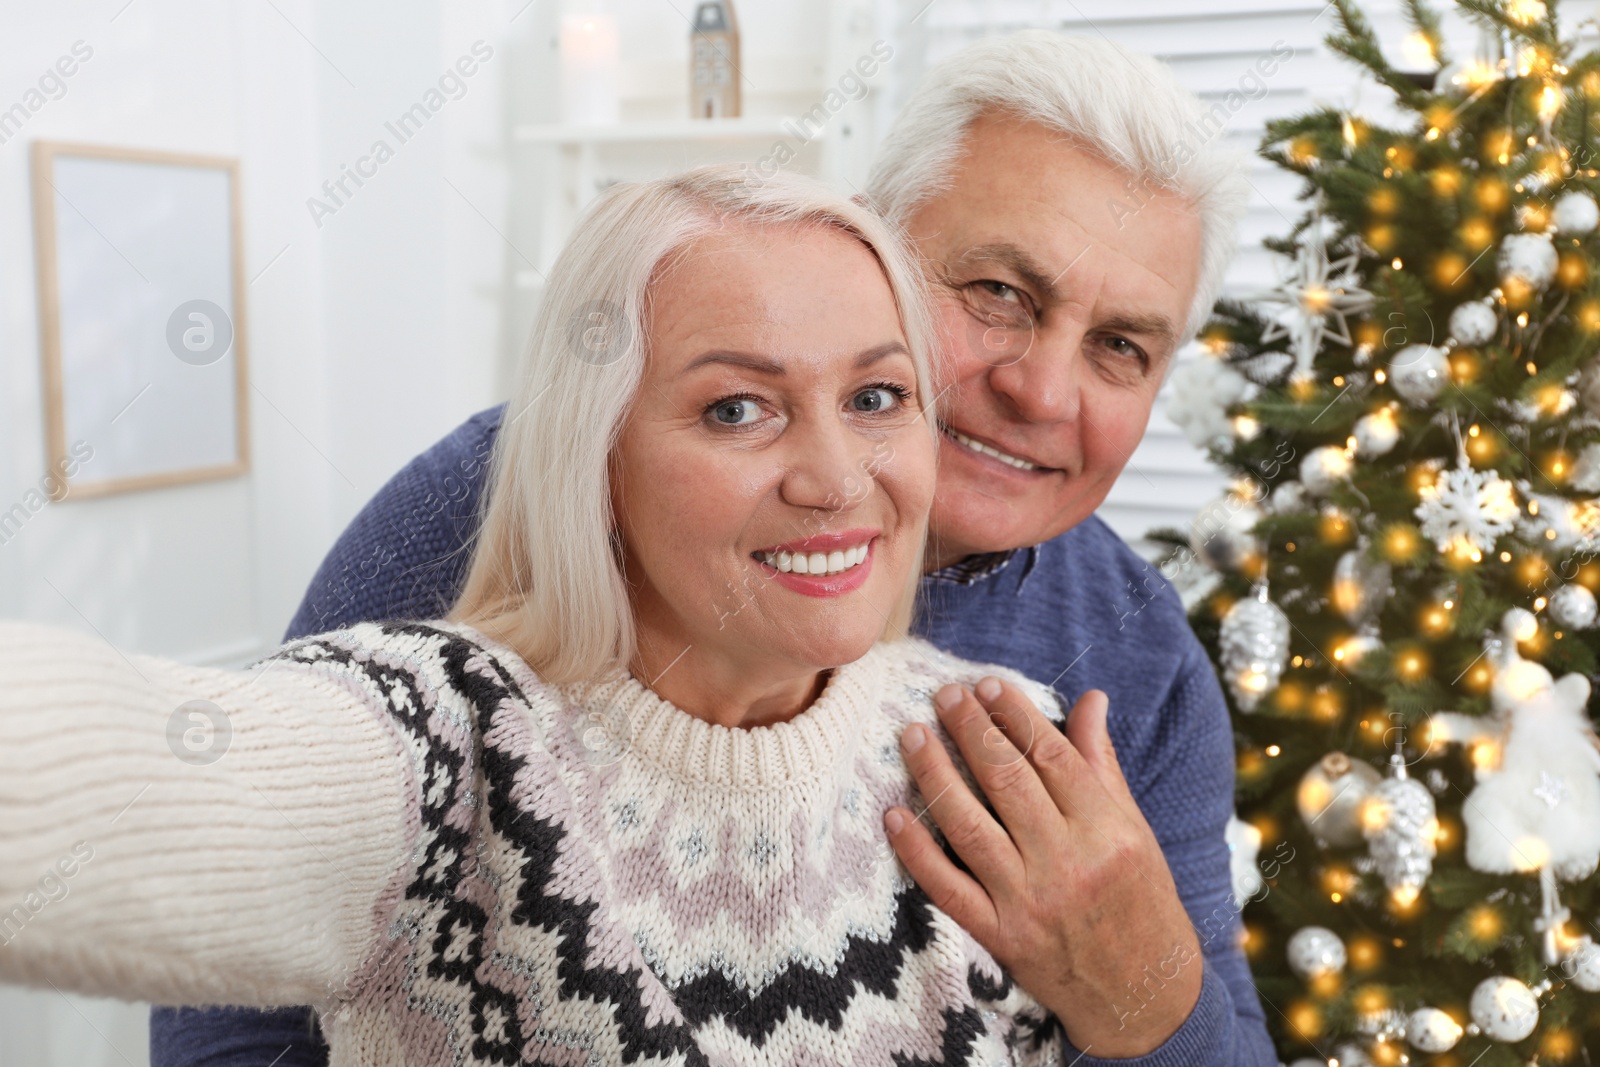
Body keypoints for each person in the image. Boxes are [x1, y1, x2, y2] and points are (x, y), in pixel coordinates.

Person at [153, 29, 1278, 1067]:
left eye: (1121, 345)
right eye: (996, 292)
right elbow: (232, 968)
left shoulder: (1131, 669)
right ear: (864, 247)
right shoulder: (506, 497)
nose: (1040, 388)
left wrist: (1148, 996)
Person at [0, 164, 1120, 1064]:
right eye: (737, 408)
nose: (834, 476)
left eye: (877, 397)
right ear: (595, 464)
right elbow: (87, 783)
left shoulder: (996, 748)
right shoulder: (447, 741)